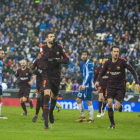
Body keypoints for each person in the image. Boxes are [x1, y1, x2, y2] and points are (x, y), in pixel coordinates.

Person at [95, 46, 140, 129]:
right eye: (114, 51)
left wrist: (137, 82)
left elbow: (132, 71)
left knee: (116, 107)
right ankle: (112, 124)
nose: (116, 53)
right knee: (109, 103)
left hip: (120, 86)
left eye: (117, 51)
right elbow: (102, 73)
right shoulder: (107, 63)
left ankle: (119, 106)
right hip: (111, 85)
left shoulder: (123, 62)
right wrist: (97, 80)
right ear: (111, 53)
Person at [40, 31, 69, 129]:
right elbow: (44, 57)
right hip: (46, 74)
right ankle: (46, 121)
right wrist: (52, 49)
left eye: (53, 36)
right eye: (50, 36)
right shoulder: (42, 47)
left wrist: (58, 60)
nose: (53, 38)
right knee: (46, 95)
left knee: (54, 97)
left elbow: (67, 59)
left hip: (56, 76)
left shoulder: (59, 47)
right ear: (47, 39)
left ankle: (51, 112)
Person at [76, 50, 94, 123]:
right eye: (83, 54)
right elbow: (85, 76)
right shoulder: (83, 64)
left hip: (88, 86)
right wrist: (82, 84)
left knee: (88, 101)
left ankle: (91, 119)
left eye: (85, 54)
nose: (84, 56)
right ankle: (82, 117)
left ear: (88, 56)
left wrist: (85, 84)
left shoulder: (90, 64)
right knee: (78, 99)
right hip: (84, 85)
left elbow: (90, 76)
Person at [28, 55, 44, 122]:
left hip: (46, 82)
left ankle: (37, 114)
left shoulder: (49, 61)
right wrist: (33, 70)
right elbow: (31, 70)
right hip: (39, 83)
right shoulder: (37, 61)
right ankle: (43, 113)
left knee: (40, 97)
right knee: (41, 99)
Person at [0, 49, 5, 118]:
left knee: (0, 98)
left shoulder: (1, 62)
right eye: (2, 53)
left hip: (0, 83)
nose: (3, 55)